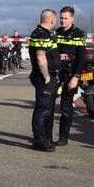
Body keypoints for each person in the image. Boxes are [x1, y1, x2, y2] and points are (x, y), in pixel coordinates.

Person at [54, 5, 87, 146]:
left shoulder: (79, 33)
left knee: (66, 108)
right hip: (56, 74)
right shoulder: (57, 32)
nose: (62, 21)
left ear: (72, 18)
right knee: (48, 106)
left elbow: (81, 58)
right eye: (61, 18)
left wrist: (76, 77)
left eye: (65, 18)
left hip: (70, 75)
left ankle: (63, 138)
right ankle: (45, 137)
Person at [28, 9, 60, 151]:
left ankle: (46, 138)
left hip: (49, 76)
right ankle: (39, 140)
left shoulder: (45, 34)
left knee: (47, 109)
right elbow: (40, 57)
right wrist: (46, 76)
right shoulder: (41, 34)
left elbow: (47, 53)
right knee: (43, 109)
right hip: (44, 78)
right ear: (52, 20)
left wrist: (58, 58)